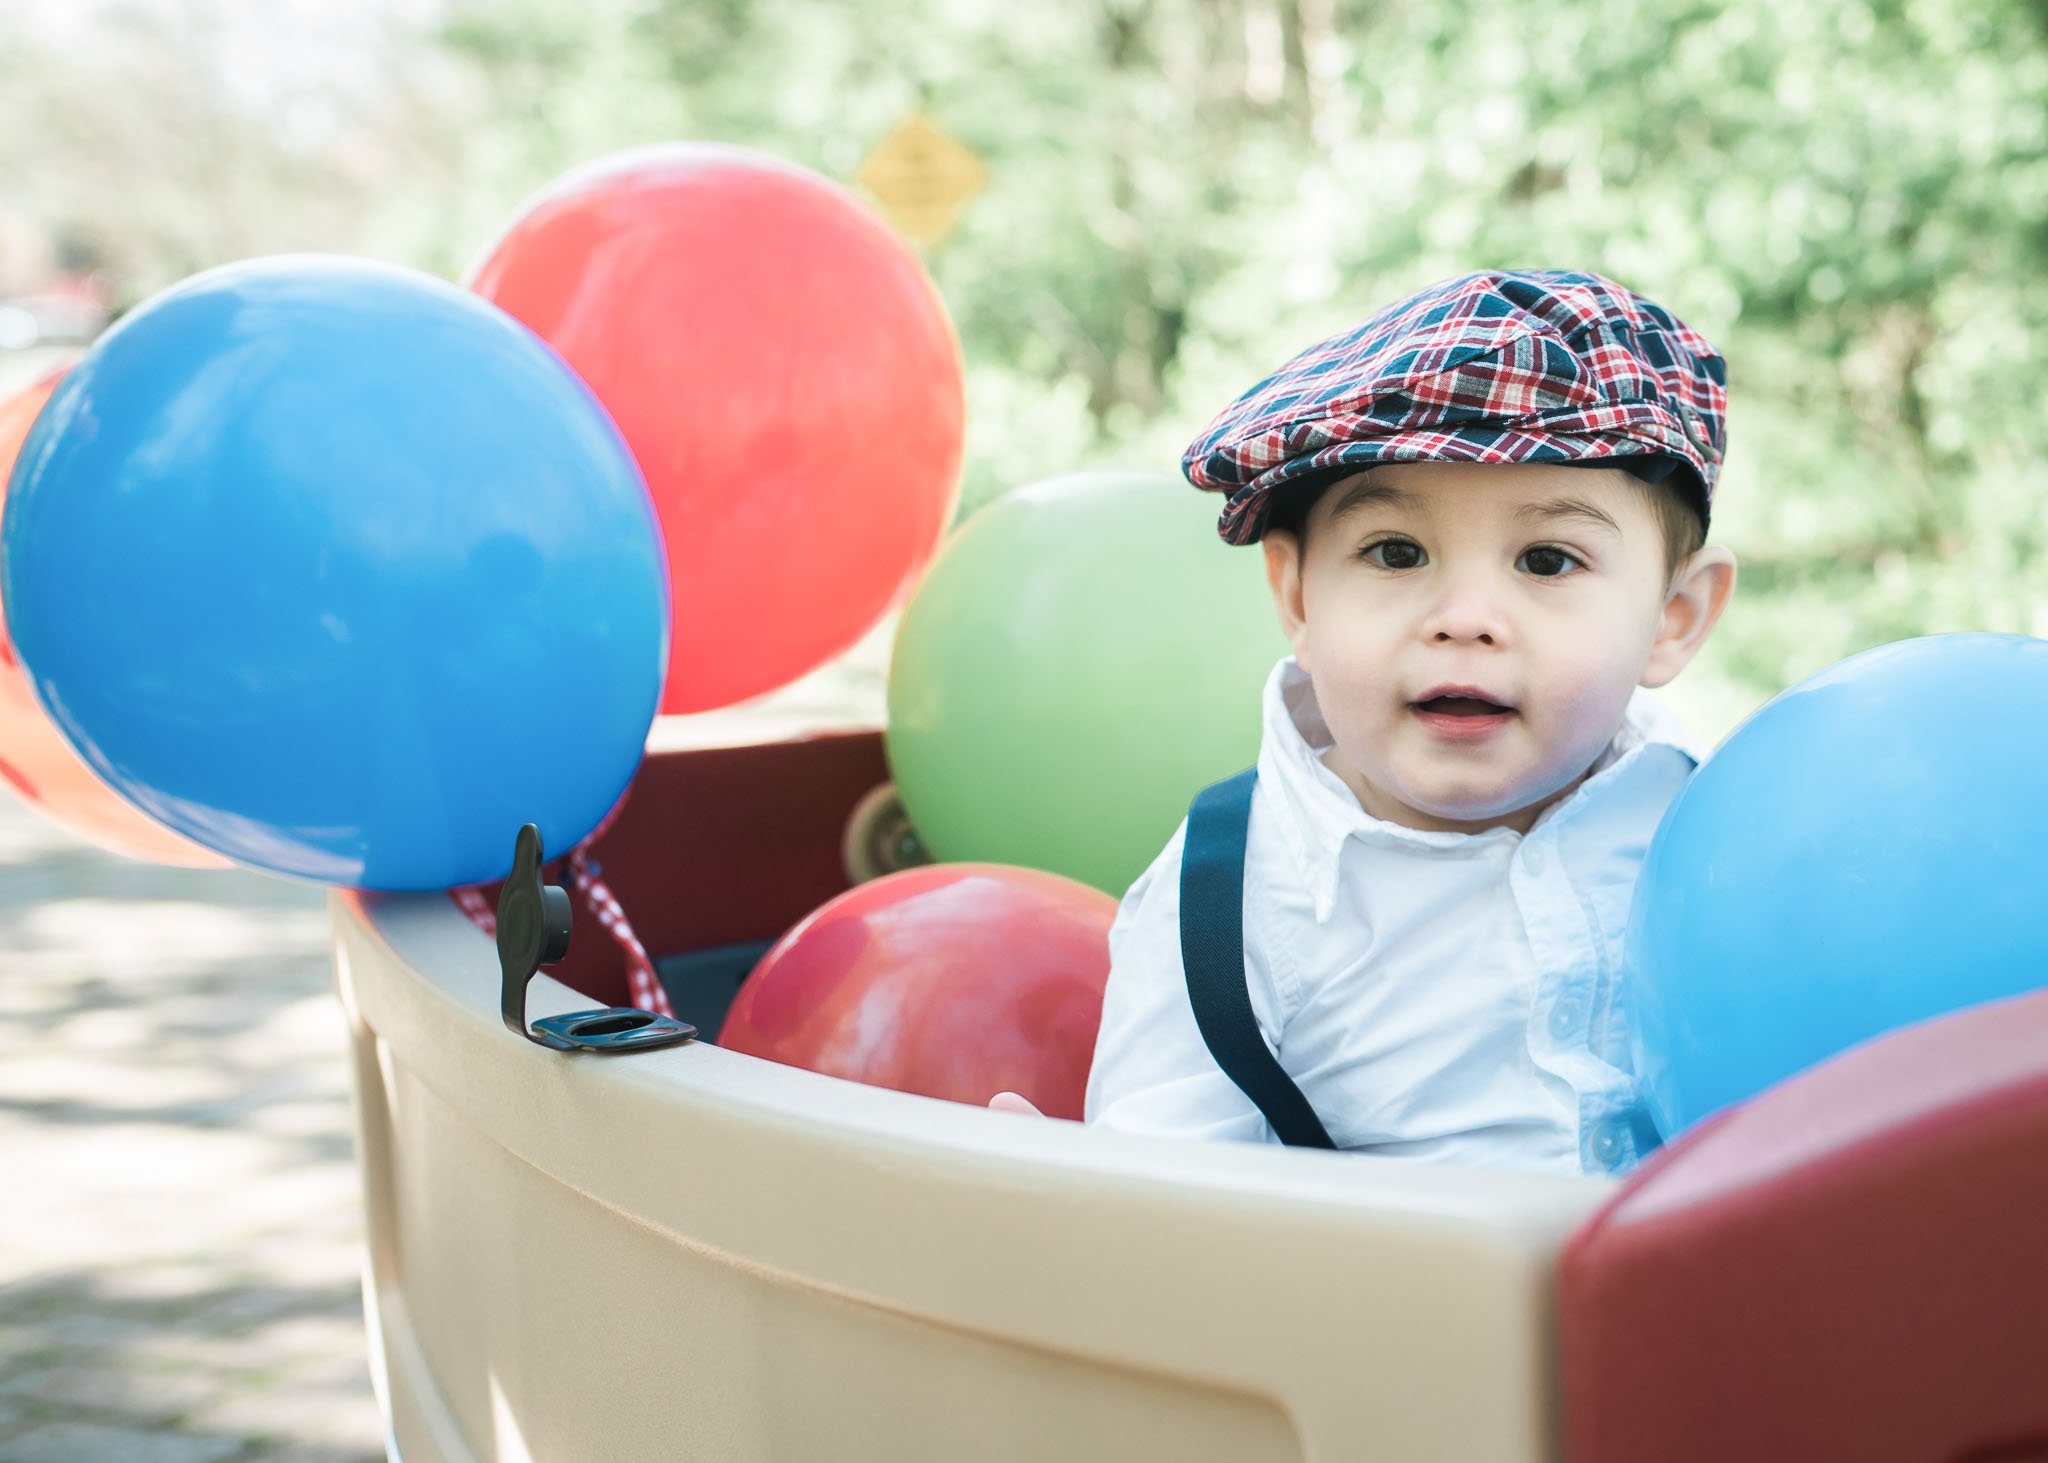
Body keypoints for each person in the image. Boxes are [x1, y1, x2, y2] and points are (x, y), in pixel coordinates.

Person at [1075, 269, 1738, 1175]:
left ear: (1673, 619)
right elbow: (1163, 1211)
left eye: (1547, 559)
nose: (1465, 616)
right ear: (1298, 594)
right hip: (1370, 1311)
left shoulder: (1720, 836)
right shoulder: (1226, 903)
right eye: (1396, 552)